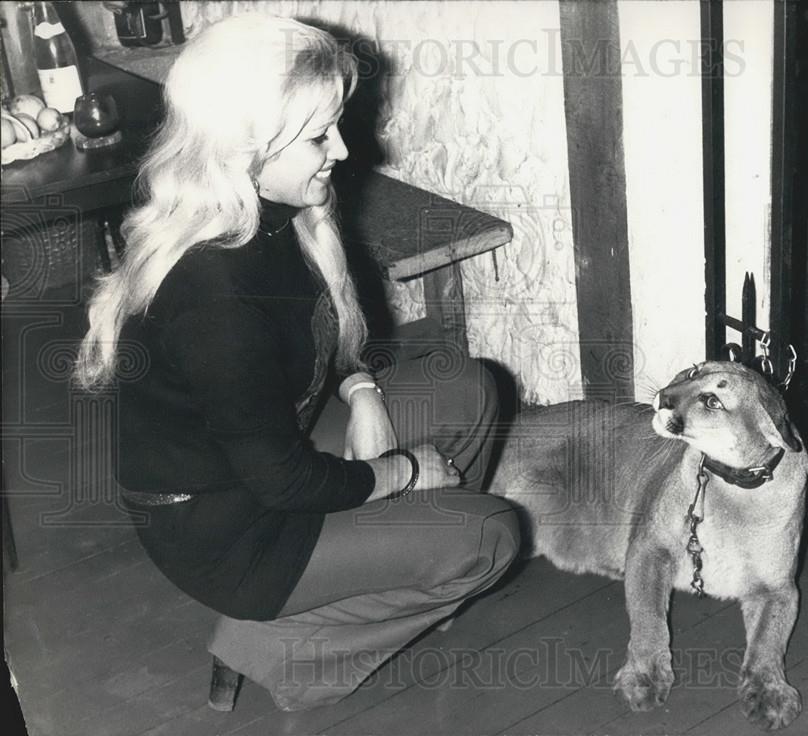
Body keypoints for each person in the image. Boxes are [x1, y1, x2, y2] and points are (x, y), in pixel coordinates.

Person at [74, 14, 519, 710]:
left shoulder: (274, 208)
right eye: (318, 135)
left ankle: (389, 575)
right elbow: (280, 482)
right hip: (229, 532)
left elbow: (315, 327)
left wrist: (363, 386)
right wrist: (401, 472)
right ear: (243, 149)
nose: (341, 149)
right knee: (494, 535)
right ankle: (274, 649)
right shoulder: (210, 294)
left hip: (266, 455)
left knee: (468, 387)